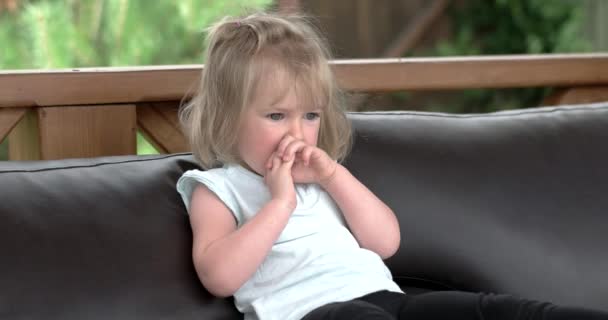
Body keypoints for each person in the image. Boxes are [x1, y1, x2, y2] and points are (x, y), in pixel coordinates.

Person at [176, 11, 608, 320]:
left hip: (389, 298)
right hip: (314, 312)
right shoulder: (218, 188)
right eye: (276, 116)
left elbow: (385, 242)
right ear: (229, 119)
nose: (298, 132)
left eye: (310, 115)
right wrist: (280, 204)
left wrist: (333, 176)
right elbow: (220, 276)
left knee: (495, 309)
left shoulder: (321, 177)